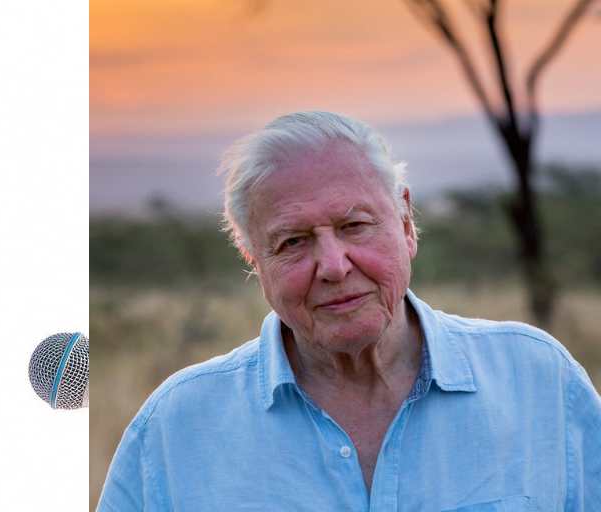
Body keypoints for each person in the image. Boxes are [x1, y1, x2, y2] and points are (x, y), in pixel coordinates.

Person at [98, 110, 601, 510]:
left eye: (355, 225)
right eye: (293, 241)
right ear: (255, 261)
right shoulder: (177, 426)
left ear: (405, 223)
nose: (333, 266)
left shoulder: (538, 381)